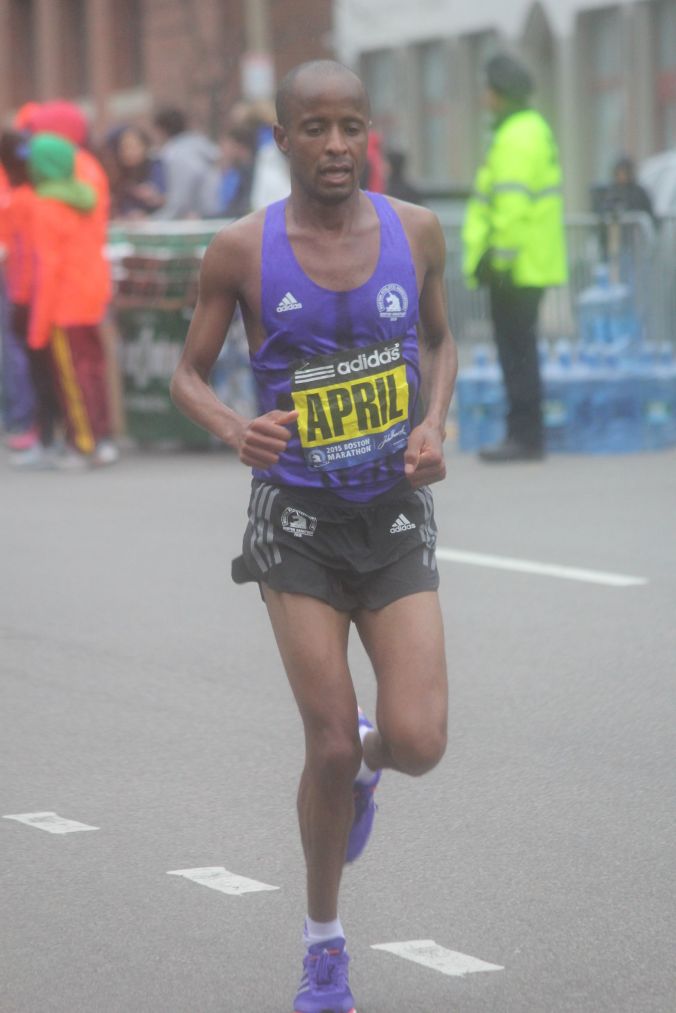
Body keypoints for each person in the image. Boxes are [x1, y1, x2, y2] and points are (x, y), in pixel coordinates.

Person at [170, 60, 457, 1013]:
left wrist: (433, 422)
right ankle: (324, 945)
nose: (337, 145)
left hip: (392, 512)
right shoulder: (240, 252)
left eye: (351, 127)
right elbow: (188, 374)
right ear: (284, 139)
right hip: (294, 518)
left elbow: (440, 341)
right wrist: (230, 427)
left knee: (414, 740)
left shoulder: (415, 231)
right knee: (327, 742)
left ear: (367, 134)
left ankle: (375, 765)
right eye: (316, 128)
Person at [463, 52, 567, 462]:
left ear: (501, 93)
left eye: (488, 88)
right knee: (519, 351)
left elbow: (511, 206)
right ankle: (524, 433)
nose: (484, 96)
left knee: (517, 354)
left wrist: (499, 262)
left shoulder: (517, 136)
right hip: (525, 265)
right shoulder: (525, 130)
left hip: (516, 269)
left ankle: (523, 437)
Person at [27, 133, 116, 467]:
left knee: (71, 379)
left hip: (63, 306)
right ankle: (101, 436)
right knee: (92, 371)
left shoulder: (43, 204)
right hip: (91, 298)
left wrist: (38, 323)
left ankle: (83, 443)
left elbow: (47, 266)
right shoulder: (84, 197)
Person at [152, 107, 221, 219]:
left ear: (161, 130)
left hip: (202, 219)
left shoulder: (177, 155)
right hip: (217, 215)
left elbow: (179, 201)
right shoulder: (201, 144)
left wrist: (152, 222)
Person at [104, 125, 165, 219]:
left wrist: (152, 196)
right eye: (124, 147)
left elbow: (164, 199)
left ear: (145, 146)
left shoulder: (156, 167)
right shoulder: (115, 173)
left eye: (134, 146)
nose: (129, 152)